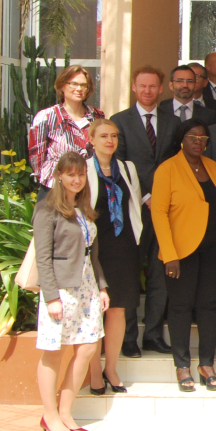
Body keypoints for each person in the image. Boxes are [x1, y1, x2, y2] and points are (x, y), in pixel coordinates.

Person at [32, 152, 109, 431]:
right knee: (53, 351)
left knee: (88, 347)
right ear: (59, 177)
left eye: (80, 174)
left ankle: (65, 411)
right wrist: (51, 297)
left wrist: (101, 287)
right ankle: (49, 415)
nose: (76, 179)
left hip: (87, 287)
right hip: (61, 290)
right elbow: (43, 258)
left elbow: (93, 254)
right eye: (70, 174)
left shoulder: (84, 209)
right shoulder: (46, 210)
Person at [151, 122, 216, 392]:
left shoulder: (212, 166)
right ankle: (182, 364)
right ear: (180, 139)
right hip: (181, 251)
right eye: (192, 136)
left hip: (213, 248)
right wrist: (169, 254)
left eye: (202, 137)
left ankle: (206, 363)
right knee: (180, 307)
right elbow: (158, 213)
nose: (198, 141)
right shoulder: (167, 169)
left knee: (208, 306)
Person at [109, 66, 176, 357]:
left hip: (166, 211)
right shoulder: (119, 122)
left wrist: (164, 198)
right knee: (130, 273)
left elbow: (177, 164)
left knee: (160, 274)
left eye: (153, 86)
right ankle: (128, 339)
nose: (148, 91)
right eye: (142, 86)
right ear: (134, 88)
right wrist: (146, 195)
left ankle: (153, 335)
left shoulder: (173, 122)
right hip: (133, 211)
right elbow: (117, 166)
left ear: (161, 89)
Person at [83, 120, 142, 396]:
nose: (110, 140)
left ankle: (112, 367)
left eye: (114, 136)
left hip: (124, 246)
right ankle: (94, 370)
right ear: (91, 139)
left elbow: (135, 204)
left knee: (119, 308)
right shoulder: (82, 168)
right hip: (95, 246)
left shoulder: (127, 168)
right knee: (95, 310)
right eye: (104, 136)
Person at [29, 65, 105, 192]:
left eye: (83, 85)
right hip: (55, 188)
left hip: (89, 186)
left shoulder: (97, 116)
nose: (79, 89)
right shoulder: (46, 117)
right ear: (62, 85)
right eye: (73, 84)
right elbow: (36, 157)